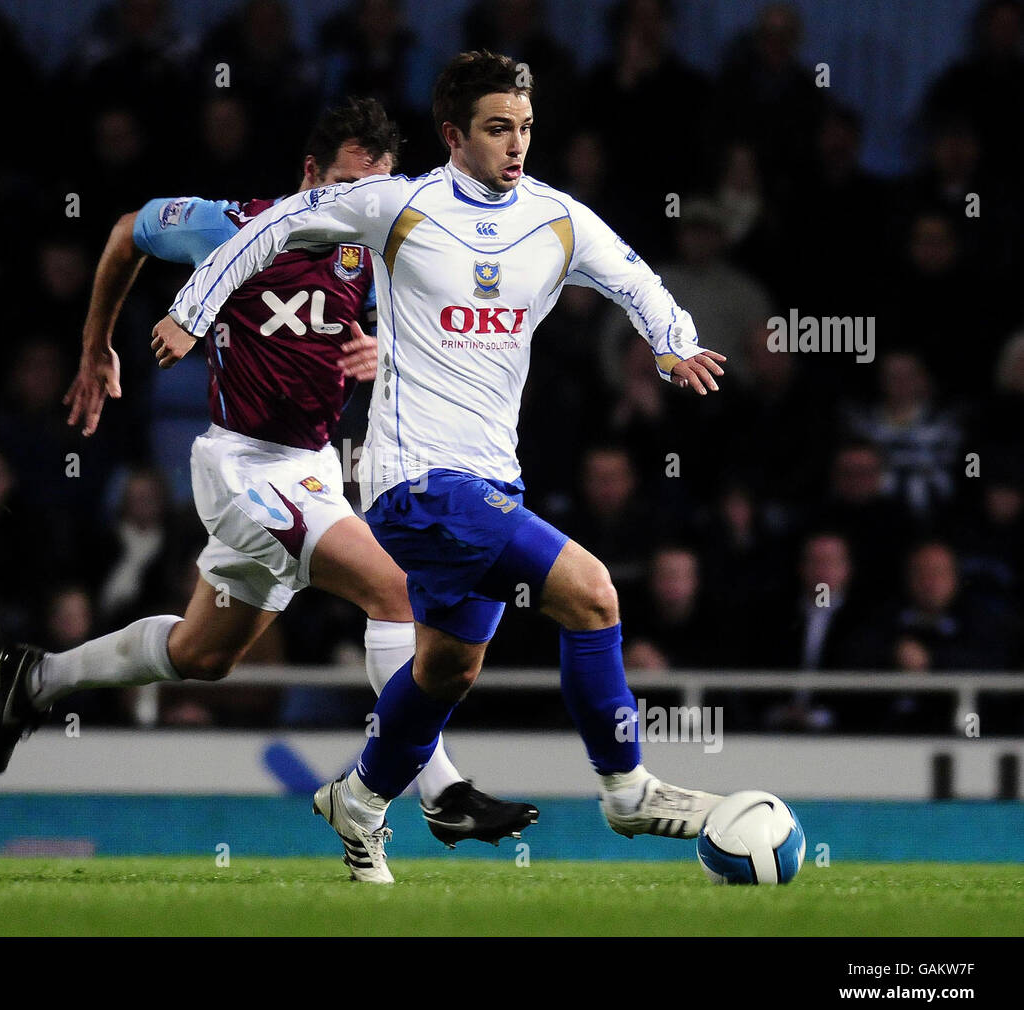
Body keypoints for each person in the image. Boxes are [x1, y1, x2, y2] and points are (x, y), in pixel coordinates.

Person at [152, 51, 728, 882]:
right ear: (454, 134)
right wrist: (193, 311)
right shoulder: (399, 205)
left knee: (447, 667)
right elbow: (276, 225)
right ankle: (627, 786)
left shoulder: (558, 219)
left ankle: (358, 797)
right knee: (593, 591)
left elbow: (636, 280)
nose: (517, 143)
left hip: (493, 480)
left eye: (526, 127)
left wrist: (673, 344)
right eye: (498, 128)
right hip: (415, 484)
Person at [0, 97, 539, 851]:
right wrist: (94, 347)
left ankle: (39, 677)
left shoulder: (380, 242)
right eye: (340, 187)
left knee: (202, 654)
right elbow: (126, 232)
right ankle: (439, 789)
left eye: (369, 190)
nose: (354, 207)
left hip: (311, 466)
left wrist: (386, 351)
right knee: (394, 590)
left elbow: (430, 324)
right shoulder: (232, 225)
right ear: (308, 174)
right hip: (241, 463)